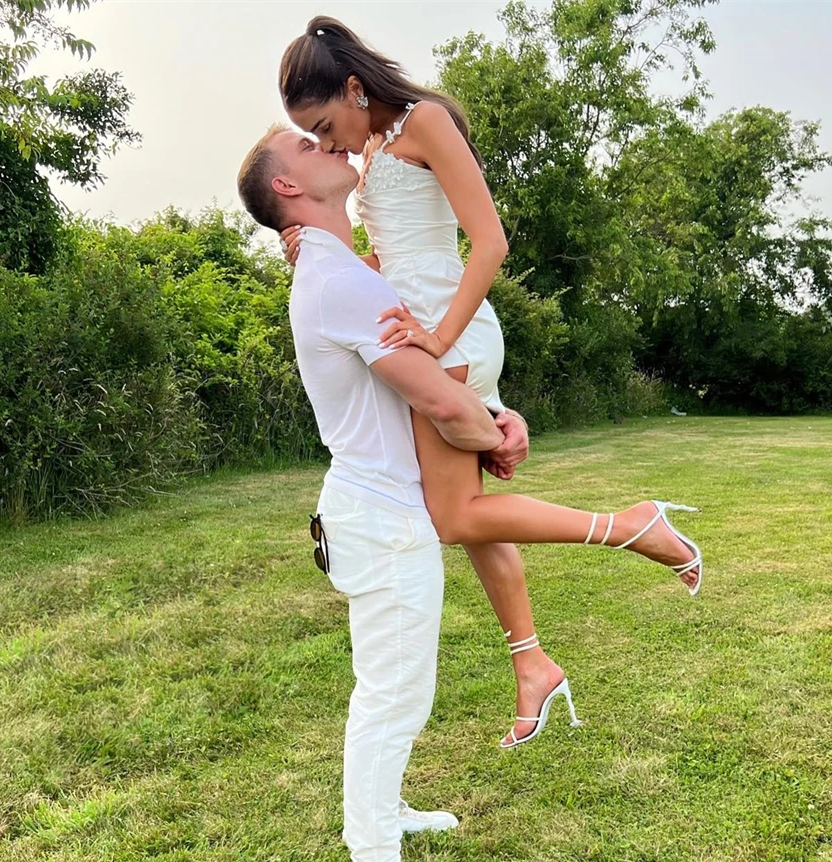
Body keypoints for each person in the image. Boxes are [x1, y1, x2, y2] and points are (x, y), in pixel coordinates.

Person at [236, 124, 702, 862]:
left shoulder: (342, 268)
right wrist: (499, 433)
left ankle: (383, 816)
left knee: (392, 692)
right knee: (393, 697)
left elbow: (436, 390)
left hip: (378, 512)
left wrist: (495, 419)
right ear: (288, 188)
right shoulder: (335, 279)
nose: (326, 144)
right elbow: (442, 401)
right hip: (383, 521)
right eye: (306, 146)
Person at [276, 17, 703, 749]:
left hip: (451, 331)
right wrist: (317, 250)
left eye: (324, 124)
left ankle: (632, 527)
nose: (328, 143)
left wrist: (440, 338)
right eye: (311, 138)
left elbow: (491, 240)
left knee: (454, 517)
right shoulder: (374, 148)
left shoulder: (426, 122)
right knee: (470, 512)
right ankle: (530, 661)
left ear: (353, 89)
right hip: (423, 331)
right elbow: (397, 262)